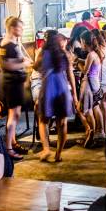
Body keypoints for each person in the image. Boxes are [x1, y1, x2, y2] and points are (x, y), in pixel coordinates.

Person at [36, 30, 77, 162]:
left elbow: (36, 68)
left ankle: (46, 149)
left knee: (43, 121)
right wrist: (75, 96)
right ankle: (58, 154)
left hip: (48, 88)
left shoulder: (42, 52)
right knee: (62, 123)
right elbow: (71, 76)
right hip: (62, 90)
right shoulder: (64, 54)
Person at [0, 16, 33, 161]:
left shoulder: (12, 44)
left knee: (15, 115)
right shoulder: (7, 45)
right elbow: (6, 65)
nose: (22, 30)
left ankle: (12, 142)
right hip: (12, 84)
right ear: (12, 28)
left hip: (15, 83)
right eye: (20, 27)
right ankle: (8, 148)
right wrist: (24, 63)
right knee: (13, 116)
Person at [78, 30, 105, 148]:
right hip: (96, 84)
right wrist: (80, 61)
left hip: (89, 84)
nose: (80, 44)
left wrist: (77, 64)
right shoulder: (96, 53)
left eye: (81, 42)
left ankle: (92, 134)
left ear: (84, 42)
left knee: (87, 110)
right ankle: (100, 133)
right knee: (95, 108)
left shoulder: (90, 55)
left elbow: (85, 71)